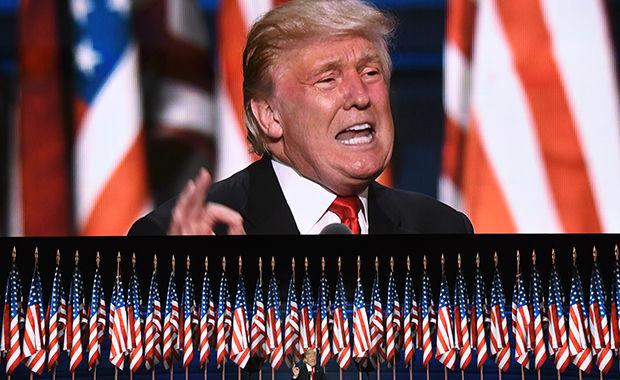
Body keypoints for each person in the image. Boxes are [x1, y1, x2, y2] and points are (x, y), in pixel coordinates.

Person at [129, 0, 473, 235]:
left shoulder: (441, 228)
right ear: (269, 116)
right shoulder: (174, 238)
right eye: (328, 79)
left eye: (371, 72)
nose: (360, 96)